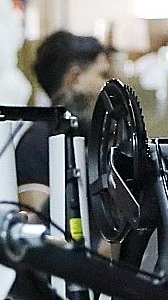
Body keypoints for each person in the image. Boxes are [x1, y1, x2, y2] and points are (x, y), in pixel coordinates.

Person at [16, 30, 110, 213]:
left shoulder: (99, 139)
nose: (108, 85)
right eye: (102, 75)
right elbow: (38, 223)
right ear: (75, 78)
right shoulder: (37, 142)